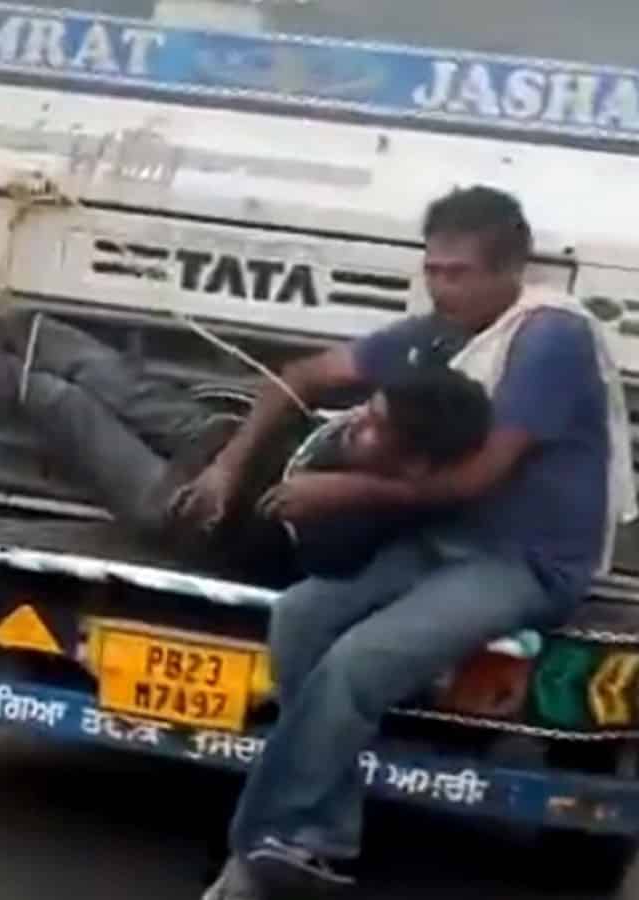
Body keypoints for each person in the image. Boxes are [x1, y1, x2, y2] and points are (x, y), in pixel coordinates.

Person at [180, 185, 630, 898]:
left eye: (460, 273)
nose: (442, 287)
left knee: (358, 662)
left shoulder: (548, 337)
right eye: (433, 270)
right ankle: (319, 834)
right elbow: (302, 377)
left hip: (524, 560)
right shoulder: (438, 335)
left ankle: (265, 848)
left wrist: (340, 491)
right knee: (300, 618)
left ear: (510, 270)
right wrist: (229, 465)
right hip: (439, 539)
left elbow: (477, 478)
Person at [0, 231, 491, 588]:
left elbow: (294, 517)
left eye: (378, 430)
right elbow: (296, 382)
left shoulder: (351, 525)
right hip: (215, 442)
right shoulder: (392, 420)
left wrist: (226, 480)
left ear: (412, 464)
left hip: (186, 509)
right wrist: (230, 459)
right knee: (93, 362)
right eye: (368, 411)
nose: (361, 423)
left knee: (64, 404)